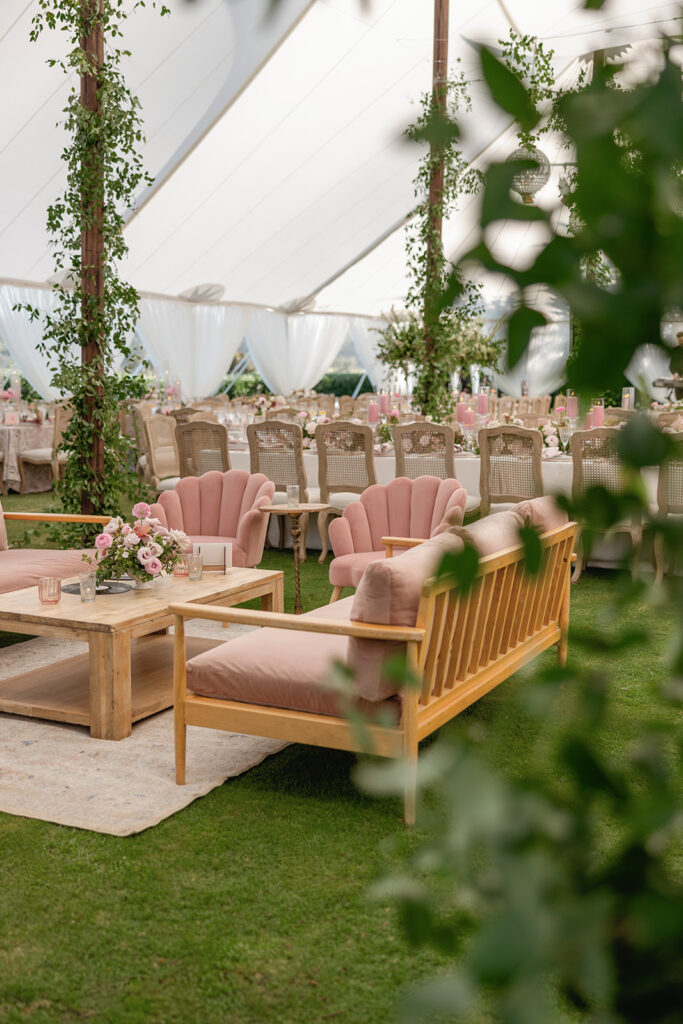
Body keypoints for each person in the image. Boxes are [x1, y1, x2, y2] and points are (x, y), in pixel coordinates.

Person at [670, 331, 683, 400]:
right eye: (680, 341)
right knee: (679, 401)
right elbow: (671, 366)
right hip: (678, 382)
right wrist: (675, 372)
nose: (681, 342)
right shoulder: (674, 351)